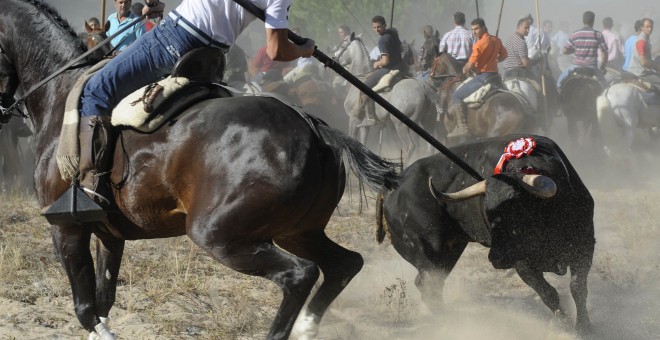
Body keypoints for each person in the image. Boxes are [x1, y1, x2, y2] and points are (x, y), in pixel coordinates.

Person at [68, 0, 315, 215]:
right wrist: (305, 49)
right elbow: (277, 49)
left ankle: (90, 187)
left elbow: (271, 50)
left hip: (173, 37)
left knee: (95, 89)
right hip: (210, 54)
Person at [448, 18, 507, 138]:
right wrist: (495, 60)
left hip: (483, 77)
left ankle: (462, 128)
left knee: (456, 96)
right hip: (496, 77)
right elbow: (504, 55)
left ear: (484, 28)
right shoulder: (496, 40)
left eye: (476, 29)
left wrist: (464, 70)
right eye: (472, 30)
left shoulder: (479, 44)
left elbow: (470, 64)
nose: (474, 32)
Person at [357, 15, 403, 127]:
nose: (377, 30)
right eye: (374, 27)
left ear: (384, 25)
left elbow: (385, 61)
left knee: (363, 87)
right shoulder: (392, 33)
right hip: (401, 66)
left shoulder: (383, 40)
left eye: (379, 27)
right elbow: (401, 48)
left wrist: (377, 63)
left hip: (388, 69)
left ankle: (370, 118)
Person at [556, 11, 608, 88]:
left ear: (583, 21)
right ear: (593, 21)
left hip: (576, 66)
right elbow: (604, 52)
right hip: (592, 67)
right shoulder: (598, 35)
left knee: (559, 82)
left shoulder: (575, 34)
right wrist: (603, 66)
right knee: (605, 87)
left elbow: (564, 51)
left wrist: (574, 50)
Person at [628, 18, 660, 93]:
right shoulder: (642, 41)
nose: (650, 29)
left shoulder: (645, 39)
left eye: (651, 27)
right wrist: (657, 67)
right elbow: (644, 62)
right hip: (640, 72)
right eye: (647, 27)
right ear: (642, 28)